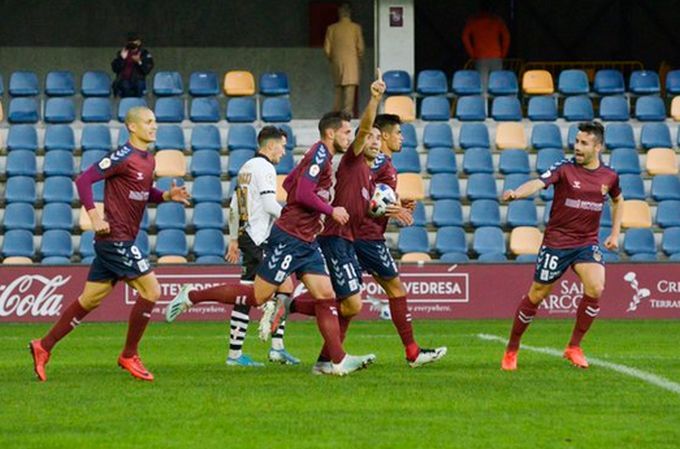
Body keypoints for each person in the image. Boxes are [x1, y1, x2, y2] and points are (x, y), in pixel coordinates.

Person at [165, 112, 376, 376]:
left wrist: (315, 216)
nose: (350, 136)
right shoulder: (319, 154)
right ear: (331, 133)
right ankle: (192, 296)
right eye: (346, 132)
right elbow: (300, 192)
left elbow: (290, 183)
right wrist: (329, 210)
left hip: (306, 240)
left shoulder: (319, 157)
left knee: (326, 295)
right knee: (258, 296)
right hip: (289, 238)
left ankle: (334, 361)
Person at [29, 107, 191, 382]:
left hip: (118, 240)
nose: (154, 126)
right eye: (149, 122)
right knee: (152, 290)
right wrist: (94, 216)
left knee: (89, 299)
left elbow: (141, 192)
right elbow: (84, 180)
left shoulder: (149, 160)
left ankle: (43, 346)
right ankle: (129, 354)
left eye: (155, 121)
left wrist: (166, 195)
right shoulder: (122, 157)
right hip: (115, 238)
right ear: (132, 127)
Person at [500, 121, 623, 371]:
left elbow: (618, 200)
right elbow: (538, 182)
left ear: (597, 147)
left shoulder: (609, 176)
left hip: (586, 243)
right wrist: (517, 193)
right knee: (537, 295)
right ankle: (512, 348)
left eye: (584, 143)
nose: (577, 147)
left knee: (596, 287)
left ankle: (574, 347)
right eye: (576, 142)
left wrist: (614, 233)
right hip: (557, 243)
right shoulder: (564, 169)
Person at [354, 113, 448, 367]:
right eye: (397, 133)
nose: (401, 137)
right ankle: (412, 352)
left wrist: (397, 203)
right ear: (384, 135)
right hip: (367, 236)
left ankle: (291, 305)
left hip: (362, 235)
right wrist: (391, 208)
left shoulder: (385, 164)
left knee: (344, 298)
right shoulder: (379, 162)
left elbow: (374, 196)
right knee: (396, 290)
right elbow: (363, 196)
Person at [206, 126, 300, 366]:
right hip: (259, 238)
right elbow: (269, 204)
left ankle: (235, 355)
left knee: (247, 293)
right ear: (270, 146)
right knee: (286, 285)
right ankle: (276, 346)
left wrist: (235, 238)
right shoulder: (266, 167)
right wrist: (295, 224)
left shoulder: (245, 168)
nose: (284, 151)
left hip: (248, 235)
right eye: (282, 146)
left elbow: (236, 206)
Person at [324, 2, 365, 116]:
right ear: (349, 13)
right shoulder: (356, 28)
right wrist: (359, 59)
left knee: (338, 89)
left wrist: (333, 59)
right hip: (352, 63)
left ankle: (336, 113)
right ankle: (347, 113)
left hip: (336, 63)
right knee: (350, 89)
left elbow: (327, 49)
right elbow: (360, 48)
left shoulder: (331, 29)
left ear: (339, 13)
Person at [461, 0, 510, 92]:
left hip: (480, 57)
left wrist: (472, 54)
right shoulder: (497, 21)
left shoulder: (474, 21)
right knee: (497, 86)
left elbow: (464, 37)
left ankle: (484, 105)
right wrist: (503, 54)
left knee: (483, 88)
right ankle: (498, 105)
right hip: (496, 56)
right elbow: (506, 37)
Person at [111, 33, 154, 97]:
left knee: (139, 85)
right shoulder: (122, 53)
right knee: (125, 86)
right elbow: (115, 69)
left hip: (138, 80)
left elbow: (147, 70)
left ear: (139, 43)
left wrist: (139, 62)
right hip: (124, 80)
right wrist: (121, 59)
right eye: (130, 43)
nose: (132, 45)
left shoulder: (144, 54)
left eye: (134, 43)